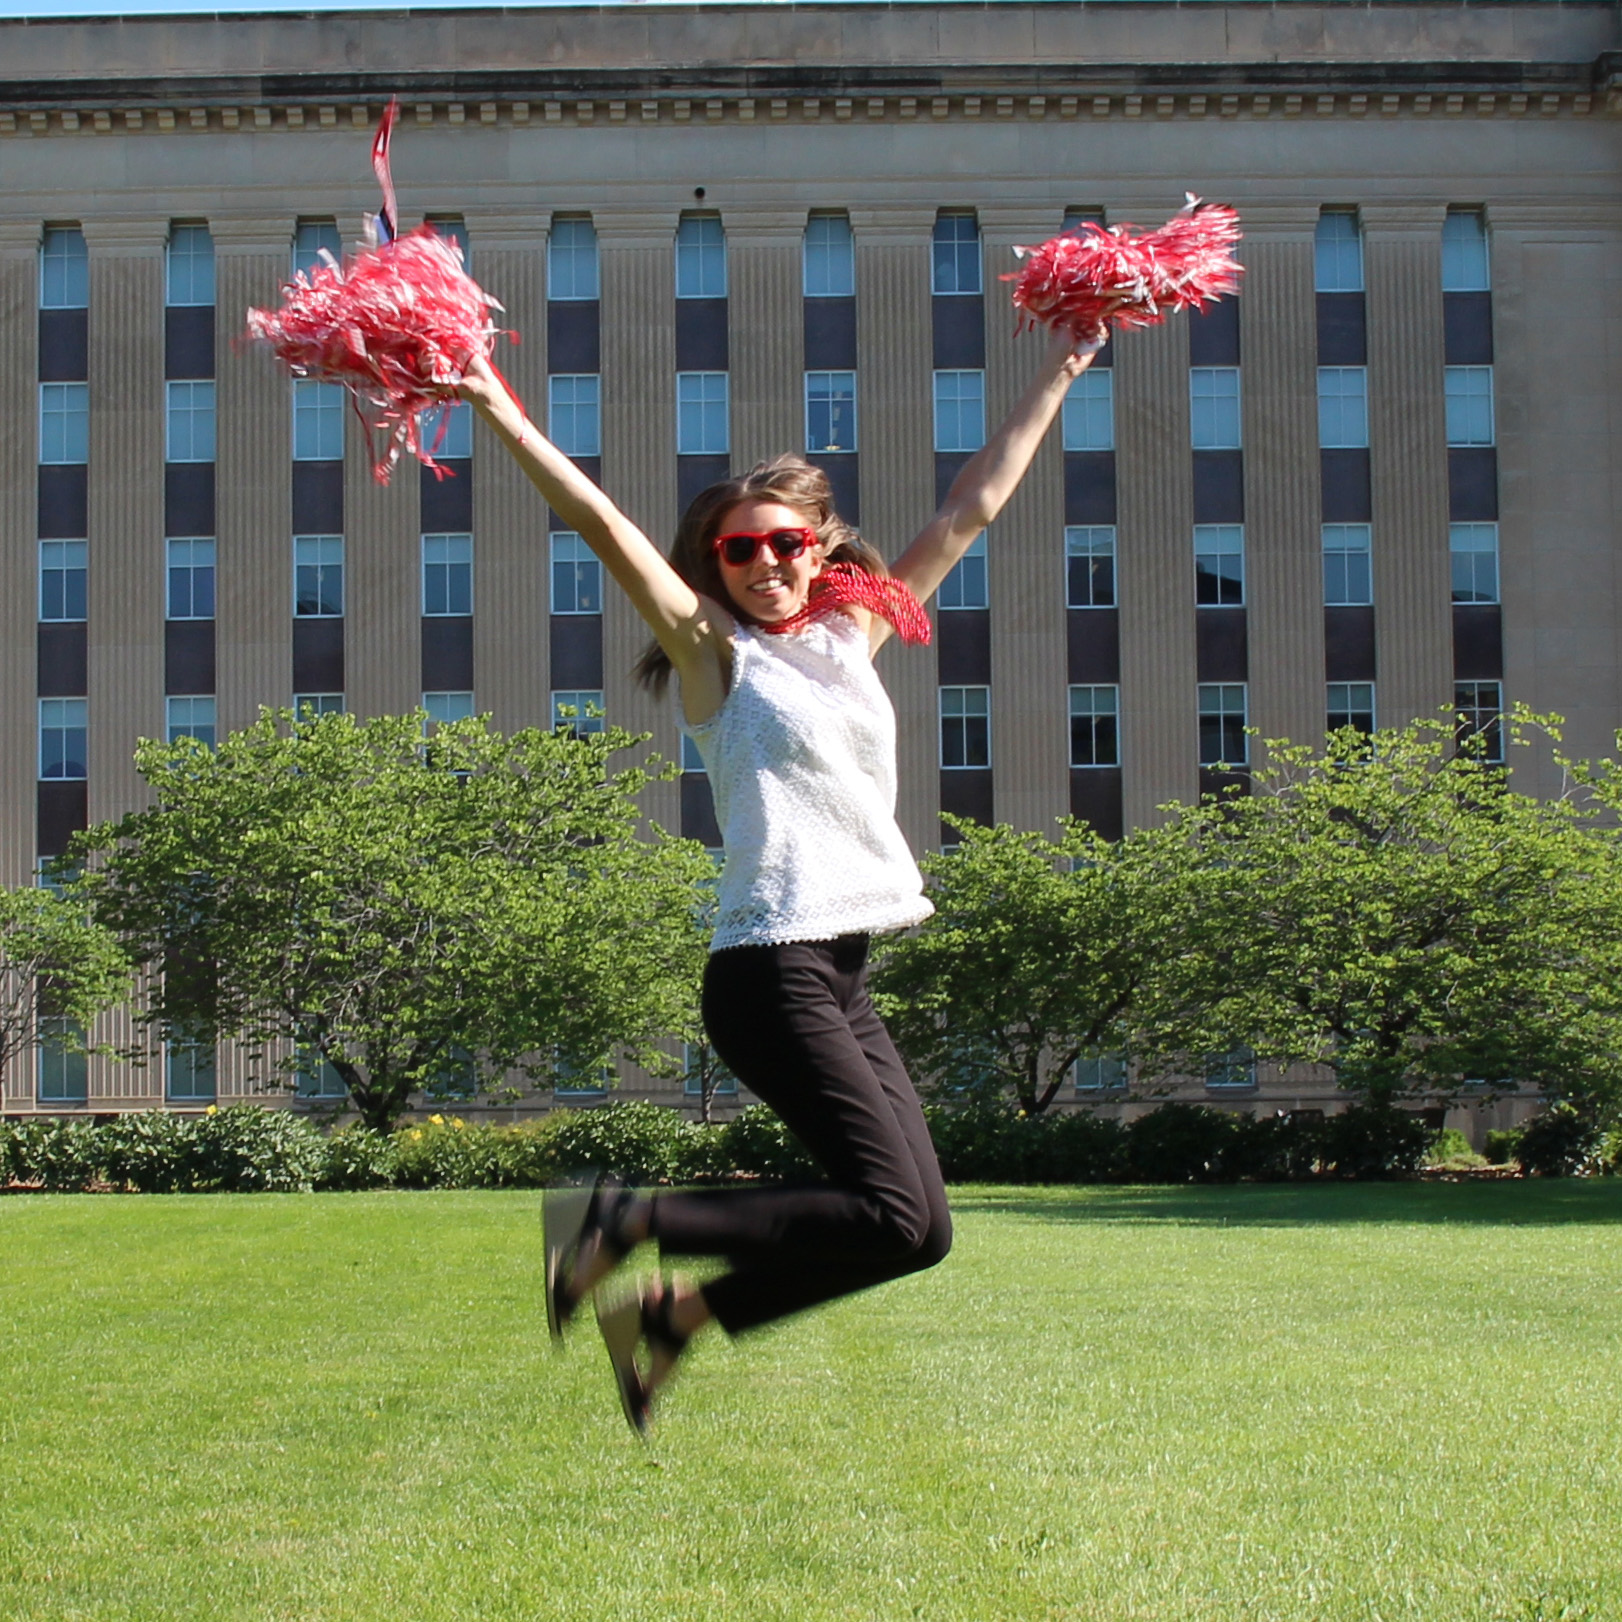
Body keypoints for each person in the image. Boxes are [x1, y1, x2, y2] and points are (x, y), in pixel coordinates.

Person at [456, 320, 1109, 1432]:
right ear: (710, 565)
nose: (765, 562)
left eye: (786, 545)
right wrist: (488, 398)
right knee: (884, 1205)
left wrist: (1062, 366)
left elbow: (970, 510)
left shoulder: (850, 636)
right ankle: (618, 1217)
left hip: (837, 969)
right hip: (768, 968)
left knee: (916, 1231)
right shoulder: (717, 660)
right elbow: (599, 524)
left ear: (822, 551)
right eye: (738, 550)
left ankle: (667, 1318)